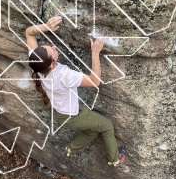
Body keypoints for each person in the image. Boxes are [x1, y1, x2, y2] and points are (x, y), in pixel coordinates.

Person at [25, 16, 126, 167]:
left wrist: (46, 26)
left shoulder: (37, 64)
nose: (53, 47)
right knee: (106, 125)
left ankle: (71, 148)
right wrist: (95, 53)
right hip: (71, 116)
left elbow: (29, 33)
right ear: (52, 64)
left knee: (92, 130)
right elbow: (94, 81)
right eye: (51, 50)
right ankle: (115, 159)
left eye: (46, 47)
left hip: (62, 113)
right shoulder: (63, 75)